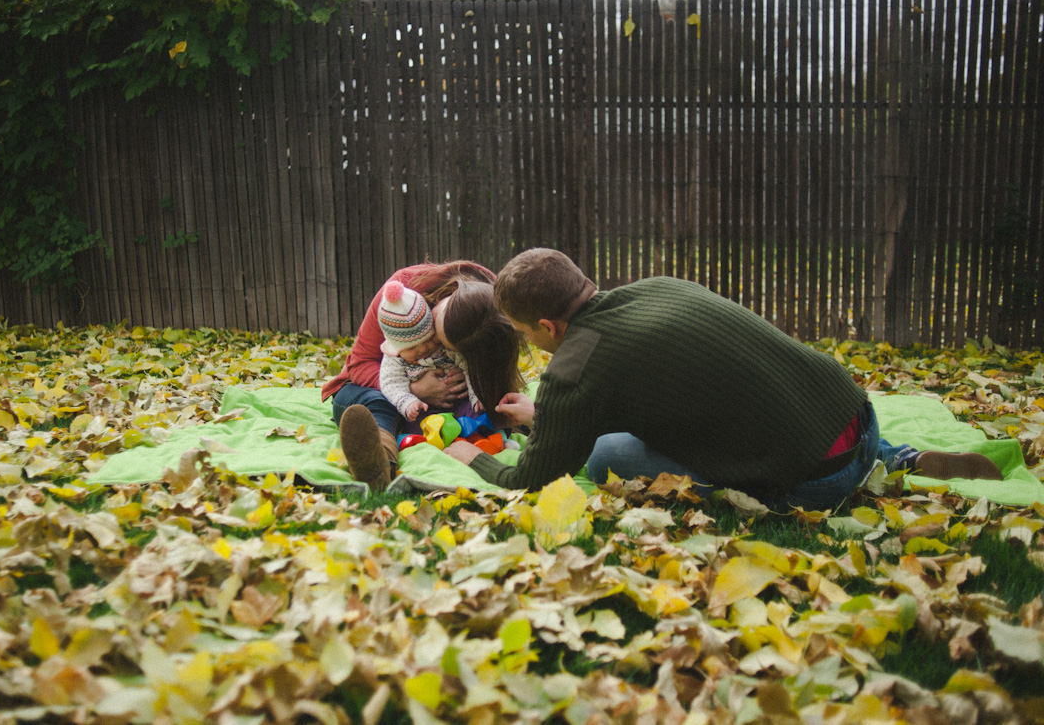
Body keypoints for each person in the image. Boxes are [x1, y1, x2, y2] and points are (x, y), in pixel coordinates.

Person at [444, 248, 1002, 511]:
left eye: (522, 333)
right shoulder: (653, 288)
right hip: (853, 416)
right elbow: (641, 388)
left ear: (546, 326)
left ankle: (841, 480)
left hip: (812, 479)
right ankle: (894, 457)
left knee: (604, 457)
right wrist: (547, 416)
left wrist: (478, 460)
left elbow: (533, 479)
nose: (525, 342)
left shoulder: (575, 367)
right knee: (730, 405)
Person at [322, 261, 524, 492]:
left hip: (447, 400)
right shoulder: (400, 296)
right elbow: (360, 363)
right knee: (377, 405)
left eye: (437, 343)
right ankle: (379, 462)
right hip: (379, 391)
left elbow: (496, 376)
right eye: (435, 333)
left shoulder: (495, 311)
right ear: (445, 298)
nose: (429, 347)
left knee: (483, 403)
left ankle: (483, 439)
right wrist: (414, 389)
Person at [375, 280, 481, 422]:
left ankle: (486, 434)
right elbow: (391, 384)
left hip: (459, 400)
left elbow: (469, 366)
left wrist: (476, 395)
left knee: (478, 412)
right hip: (425, 408)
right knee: (415, 422)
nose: (423, 348)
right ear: (396, 347)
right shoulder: (394, 359)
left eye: (427, 339)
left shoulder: (443, 345)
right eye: (412, 347)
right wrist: (409, 402)